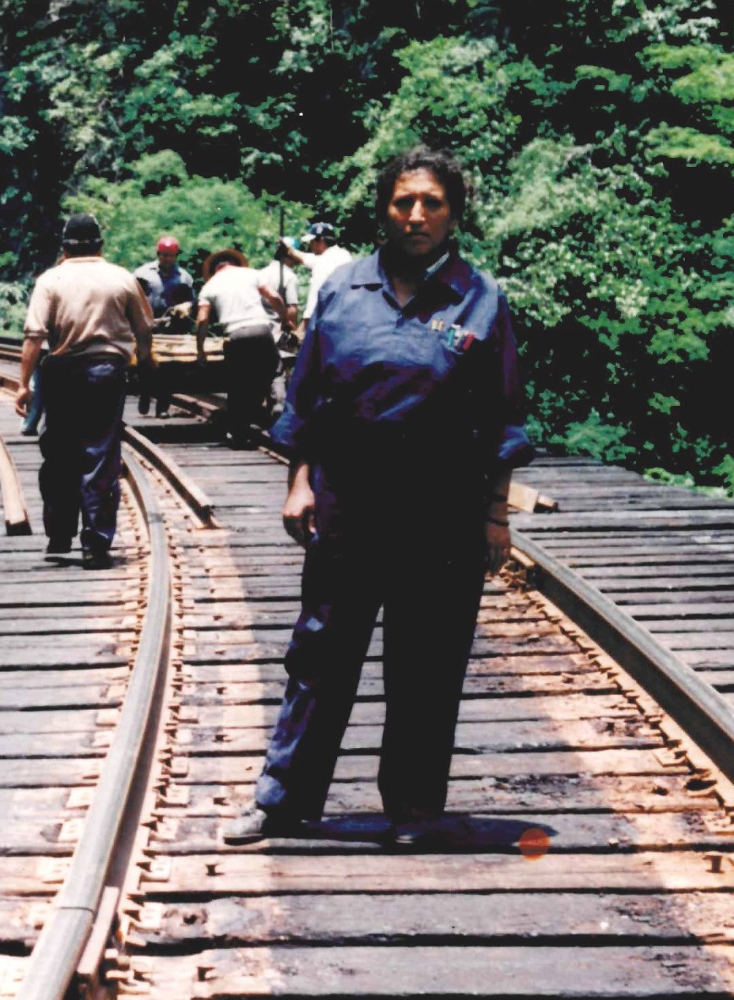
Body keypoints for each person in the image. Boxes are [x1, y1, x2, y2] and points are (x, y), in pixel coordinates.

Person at [223, 147, 534, 847]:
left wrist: (494, 518)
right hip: (348, 506)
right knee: (320, 656)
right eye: (403, 202)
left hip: (444, 514)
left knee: (427, 663)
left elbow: (504, 417)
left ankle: (415, 811)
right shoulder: (343, 291)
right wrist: (298, 483)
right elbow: (306, 398)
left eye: (432, 202)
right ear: (383, 210)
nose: (416, 215)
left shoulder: (480, 298)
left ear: (454, 213)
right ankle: (284, 803)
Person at [16, 214, 154, 570]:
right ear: (100, 245)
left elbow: (34, 336)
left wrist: (22, 385)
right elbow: (144, 329)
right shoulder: (121, 278)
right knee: (100, 455)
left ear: (64, 247)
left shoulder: (51, 279)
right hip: (106, 375)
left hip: (61, 375)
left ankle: (60, 536)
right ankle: (94, 543)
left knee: (60, 452)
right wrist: (144, 363)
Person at [194, 249, 287, 442]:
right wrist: (286, 320)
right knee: (274, 371)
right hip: (261, 329)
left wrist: (200, 350)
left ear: (215, 269)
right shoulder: (251, 274)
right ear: (233, 263)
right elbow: (275, 298)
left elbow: (202, 320)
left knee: (239, 383)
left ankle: (239, 429)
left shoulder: (209, 286)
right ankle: (278, 404)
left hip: (235, 335)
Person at [134, 236, 194, 417]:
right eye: (163, 255)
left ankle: (163, 407)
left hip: (172, 329)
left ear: (176, 256)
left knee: (169, 368)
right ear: (158, 254)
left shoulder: (184, 277)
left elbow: (190, 302)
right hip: (148, 326)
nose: (166, 259)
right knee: (145, 363)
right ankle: (144, 394)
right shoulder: (142, 273)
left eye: (171, 256)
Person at [285, 222, 353, 341]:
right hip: (348, 318)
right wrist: (289, 249)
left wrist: (303, 328)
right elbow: (306, 258)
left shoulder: (323, 263)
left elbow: (316, 296)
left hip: (328, 321)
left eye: (312, 242)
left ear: (320, 240)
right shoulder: (343, 255)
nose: (310, 246)